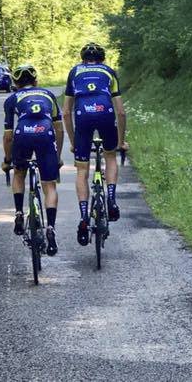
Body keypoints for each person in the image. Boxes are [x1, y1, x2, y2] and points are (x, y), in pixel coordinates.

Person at [62, 42, 128, 247]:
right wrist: (121, 140)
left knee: (82, 170)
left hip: (83, 117)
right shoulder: (109, 72)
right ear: (103, 59)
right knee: (110, 156)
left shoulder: (74, 72)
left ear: (83, 59)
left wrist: (73, 143)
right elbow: (121, 112)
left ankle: (83, 216)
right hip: (105, 113)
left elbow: (65, 112)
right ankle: (111, 198)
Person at [1, 65, 63, 256]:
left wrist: (8, 159)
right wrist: (58, 156)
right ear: (35, 81)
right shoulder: (48, 95)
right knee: (49, 185)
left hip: (23, 135)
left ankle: (19, 213)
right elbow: (59, 129)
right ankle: (50, 228)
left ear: (16, 84)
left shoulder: (12, 98)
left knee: (19, 172)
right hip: (46, 135)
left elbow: (8, 136)